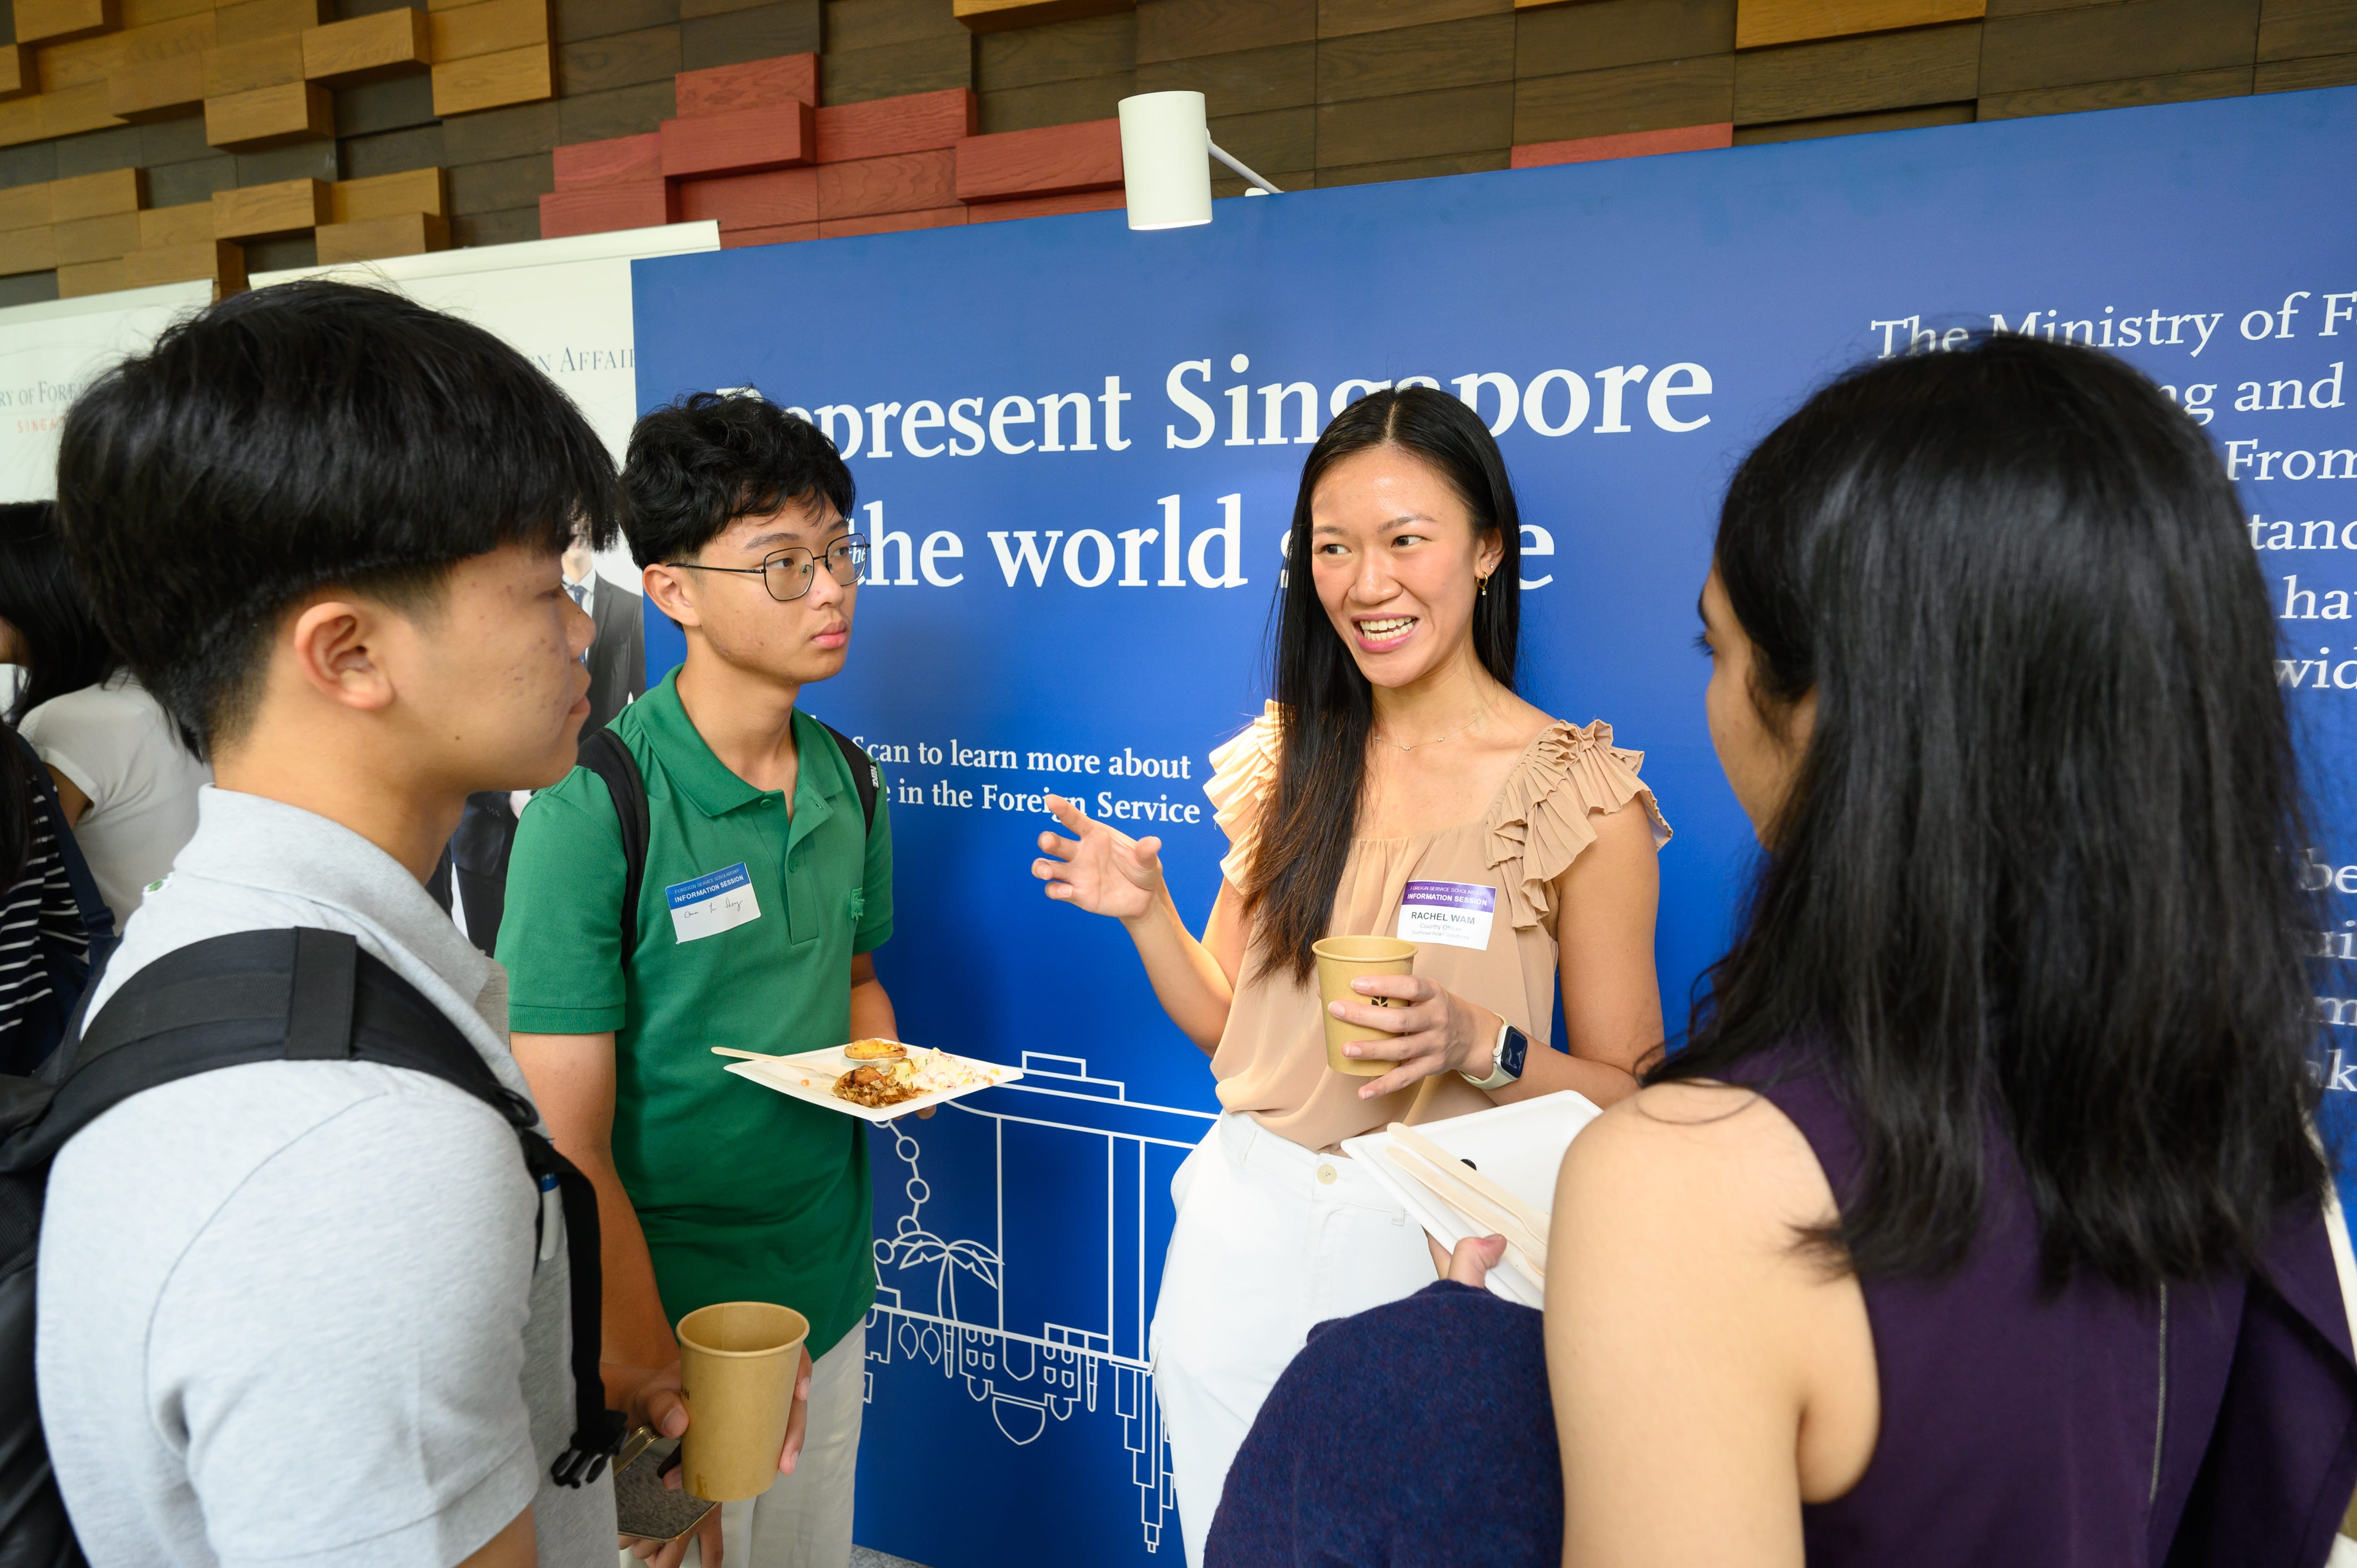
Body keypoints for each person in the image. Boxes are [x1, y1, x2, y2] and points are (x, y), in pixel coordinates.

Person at [1206, 335, 2357, 1567]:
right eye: (1332, 545)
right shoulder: (2250, 1138)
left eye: (1721, 646)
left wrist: (1432, 1376)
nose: (1365, 578)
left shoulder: (1690, 1179)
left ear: (1844, 705)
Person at [36, 279, 810, 1568]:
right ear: (347, 652)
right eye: (542, 586)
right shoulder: (351, 1145)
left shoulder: (221, 947)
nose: (582, 631)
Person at [1032, 385, 1670, 1564]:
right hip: (1245, 1227)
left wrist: (1485, 1044)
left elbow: (1636, 1102)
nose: (1365, 583)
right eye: (1332, 547)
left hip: (1439, 1251)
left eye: (1403, 540)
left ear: (1486, 549)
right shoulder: (1289, 762)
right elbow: (1229, 1035)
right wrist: (1145, 915)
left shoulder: (1579, 794)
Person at [498, 392, 892, 1568]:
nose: (828, 591)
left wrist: (880, 1068)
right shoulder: (594, 811)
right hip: (665, 1323)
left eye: (836, 555)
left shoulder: (851, 781)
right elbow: (570, 1146)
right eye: (781, 565)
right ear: (672, 591)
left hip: (827, 1287)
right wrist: (647, 1381)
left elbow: (858, 976)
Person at [0, 501, 209, 928]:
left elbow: (17, 888)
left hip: (118, 976)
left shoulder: (67, 723)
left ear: (31, 596)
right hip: (190, 954)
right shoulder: (162, 689)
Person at [449, 519, 647, 954]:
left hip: (594, 823)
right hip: (490, 835)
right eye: (544, 596)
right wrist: (512, 792)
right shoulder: (480, 617)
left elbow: (645, 707)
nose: (578, 632)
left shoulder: (631, 608)